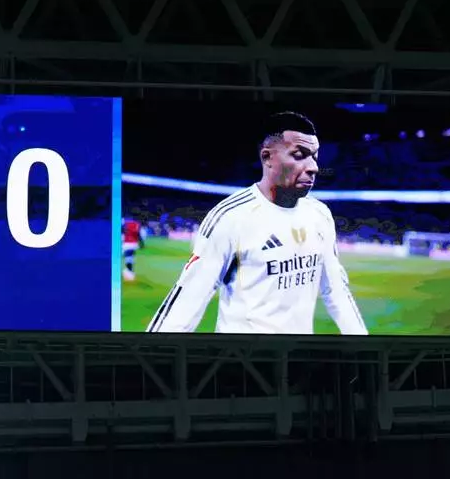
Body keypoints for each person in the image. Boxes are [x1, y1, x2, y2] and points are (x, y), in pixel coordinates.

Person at [146, 111, 368, 335]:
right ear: (267, 157)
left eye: (315, 157)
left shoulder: (320, 215)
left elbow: (336, 291)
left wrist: (363, 342)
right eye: (299, 155)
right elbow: (186, 301)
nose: (313, 167)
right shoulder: (231, 217)